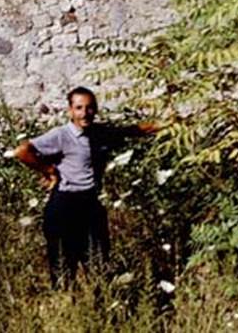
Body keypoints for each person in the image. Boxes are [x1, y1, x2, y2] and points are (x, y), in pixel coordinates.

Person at [13, 86, 160, 287]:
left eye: (89, 108)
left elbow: (132, 131)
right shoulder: (61, 135)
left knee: (99, 267)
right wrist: (48, 170)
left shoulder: (99, 133)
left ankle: (99, 304)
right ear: (70, 111)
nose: (85, 113)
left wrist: (168, 125)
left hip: (90, 205)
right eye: (79, 108)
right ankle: (66, 305)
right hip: (64, 206)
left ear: (96, 109)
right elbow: (22, 151)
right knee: (64, 272)